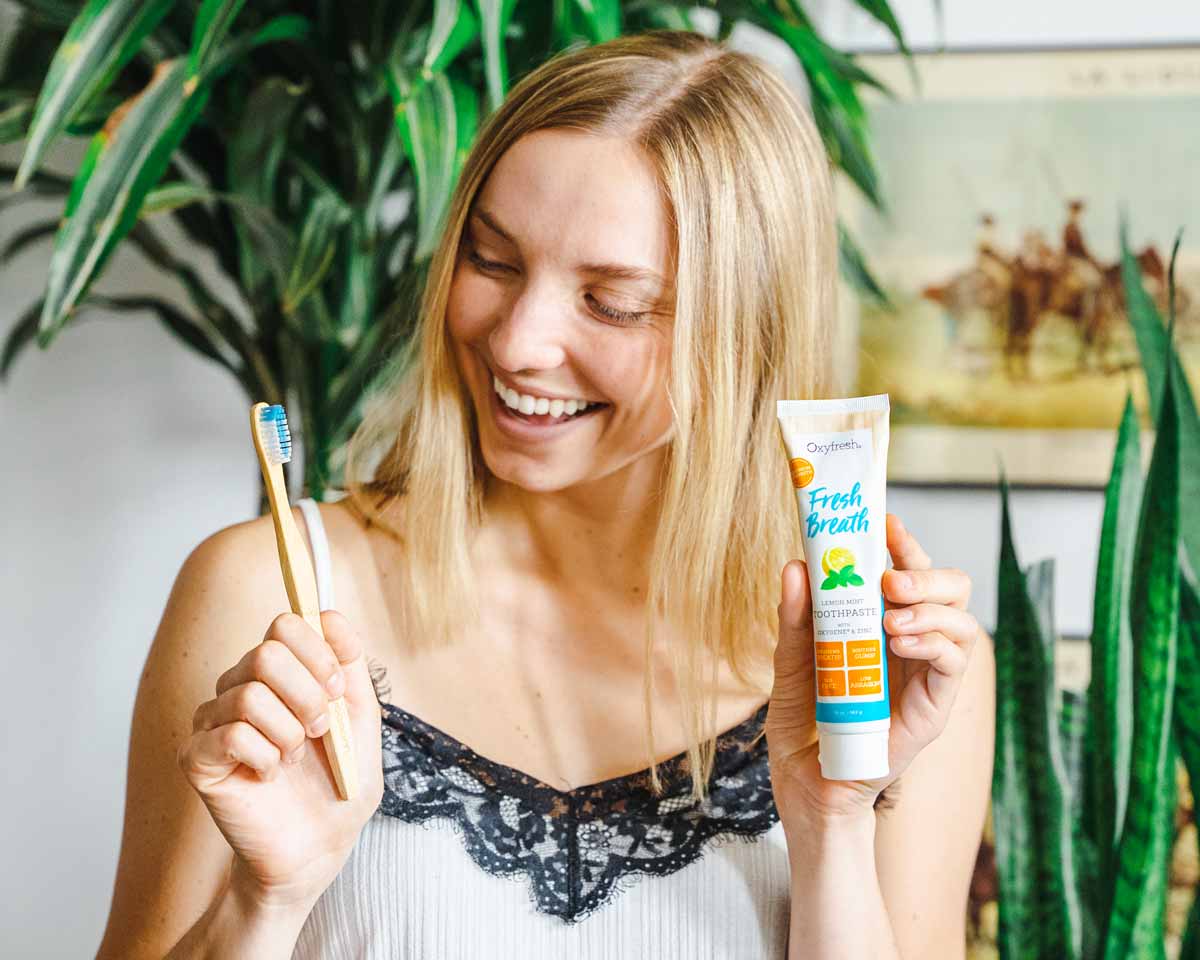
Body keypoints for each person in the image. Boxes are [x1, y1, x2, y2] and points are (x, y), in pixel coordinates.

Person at [96, 30, 994, 960]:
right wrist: (260, 903)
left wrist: (831, 826)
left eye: (610, 302)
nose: (518, 340)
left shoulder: (897, 676)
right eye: (492, 259)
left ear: (744, 334)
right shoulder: (267, 595)